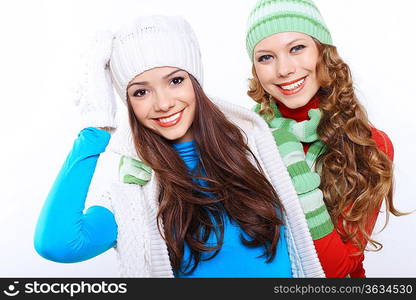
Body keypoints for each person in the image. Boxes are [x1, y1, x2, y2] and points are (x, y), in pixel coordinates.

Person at [34, 15, 326, 277]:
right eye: (141, 92)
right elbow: (58, 245)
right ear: (128, 104)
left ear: (195, 83)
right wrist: (95, 129)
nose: (163, 103)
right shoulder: (134, 193)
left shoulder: (260, 150)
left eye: (175, 80)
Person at [245, 0, 404, 277]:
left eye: (297, 48)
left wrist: (296, 170)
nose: (284, 69)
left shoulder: (370, 145)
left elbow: (334, 271)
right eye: (266, 57)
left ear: (323, 53)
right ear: (256, 69)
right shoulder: (243, 137)